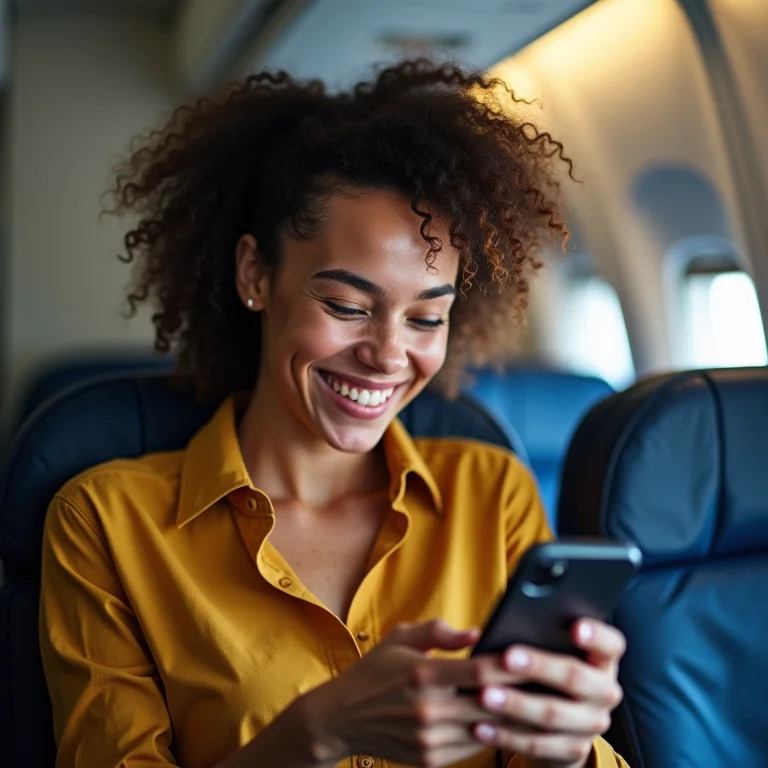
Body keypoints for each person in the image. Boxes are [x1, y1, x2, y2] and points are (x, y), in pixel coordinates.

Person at [39, 60, 629, 768]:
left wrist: (566, 747)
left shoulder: (493, 494)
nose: (387, 355)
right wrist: (314, 738)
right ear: (256, 275)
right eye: (347, 307)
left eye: (426, 318)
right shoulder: (104, 522)